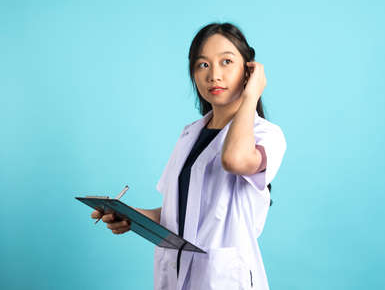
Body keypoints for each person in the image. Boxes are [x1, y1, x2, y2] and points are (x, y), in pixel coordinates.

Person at [91, 22, 287, 290]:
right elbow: (178, 214)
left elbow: (234, 160)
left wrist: (252, 94)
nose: (214, 75)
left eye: (227, 62)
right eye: (203, 65)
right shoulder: (190, 135)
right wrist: (131, 216)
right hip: (177, 276)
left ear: (249, 70)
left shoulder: (266, 135)